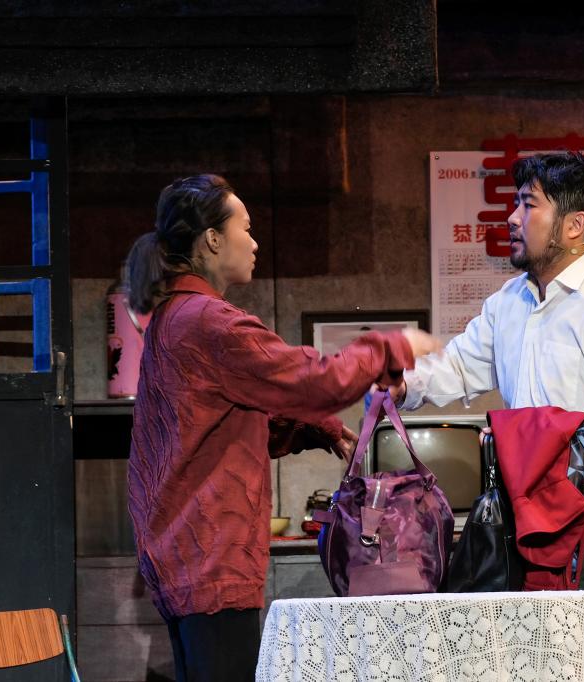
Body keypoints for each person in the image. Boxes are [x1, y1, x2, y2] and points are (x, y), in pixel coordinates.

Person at [125, 174, 441, 682]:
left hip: (185, 554)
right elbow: (316, 380)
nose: (254, 243)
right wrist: (393, 346)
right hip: (210, 556)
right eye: (245, 228)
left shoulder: (175, 318)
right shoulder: (209, 322)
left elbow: (214, 423)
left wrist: (316, 429)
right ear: (212, 239)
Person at [396, 152, 584, 591]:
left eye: (528, 204)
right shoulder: (511, 300)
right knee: (531, 636)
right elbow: (461, 366)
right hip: (529, 503)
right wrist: (399, 384)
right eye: (515, 203)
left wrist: (538, 443)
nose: (512, 217)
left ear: (575, 225)